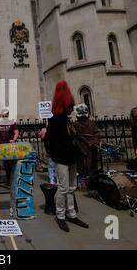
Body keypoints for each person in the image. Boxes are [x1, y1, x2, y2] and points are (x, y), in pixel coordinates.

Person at [44, 81, 89, 232]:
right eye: (70, 106)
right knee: (63, 188)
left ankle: (71, 213)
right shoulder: (55, 120)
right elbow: (49, 141)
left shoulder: (67, 120)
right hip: (61, 158)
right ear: (64, 105)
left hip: (70, 157)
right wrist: (54, 155)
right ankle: (60, 215)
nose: (72, 109)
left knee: (72, 187)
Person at [72, 103, 100, 188]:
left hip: (91, 149)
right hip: (81, 149)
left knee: (92, 165)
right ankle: (86, 181)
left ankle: (91, 182)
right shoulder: (74, 125)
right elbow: (74, 137)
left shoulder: (91, 123)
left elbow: (97, 134)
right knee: (82, 166)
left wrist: (94, 142)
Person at [0, 109, 19, 183]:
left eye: (6, 114)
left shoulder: (12, 123)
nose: (5, 116)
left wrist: (14, 140)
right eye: (4, 114)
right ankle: (9, 177)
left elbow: (16, 132)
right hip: (2, 145)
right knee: (5, 162)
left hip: (10, 145)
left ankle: (12, 177)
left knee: (11, 161)